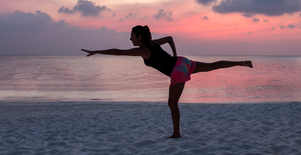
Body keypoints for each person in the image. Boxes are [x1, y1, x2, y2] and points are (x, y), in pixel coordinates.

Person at [81, 25, 253, 138]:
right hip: (182, 62)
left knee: (172, 104)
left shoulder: (143, 50)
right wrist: (175, 54)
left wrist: (97, 51)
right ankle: (241, 63)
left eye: (132, 36)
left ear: (139, 37)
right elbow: (170, 38)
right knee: (211, 66)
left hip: (177, 71)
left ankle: (176, 133)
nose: (130, 39)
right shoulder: (153, 43)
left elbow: (119, 52)